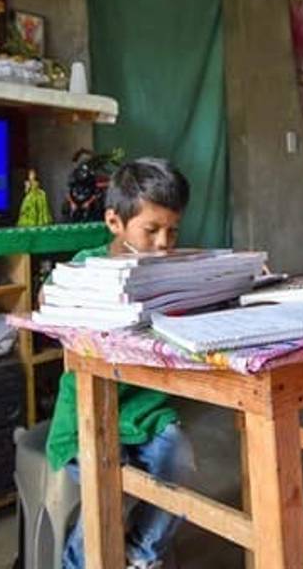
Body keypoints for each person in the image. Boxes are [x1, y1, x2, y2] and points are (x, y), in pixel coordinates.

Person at [46, 158, 195, 569]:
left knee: (178, 458)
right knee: (116, 479)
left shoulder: (168, 268)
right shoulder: (87, 264)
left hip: (146, 411)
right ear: (114, 221)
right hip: (87, 415)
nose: (164, 242)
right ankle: (79, 563)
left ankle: (140, 555)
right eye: (151, 230)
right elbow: (49, 298)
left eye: (173, 230)